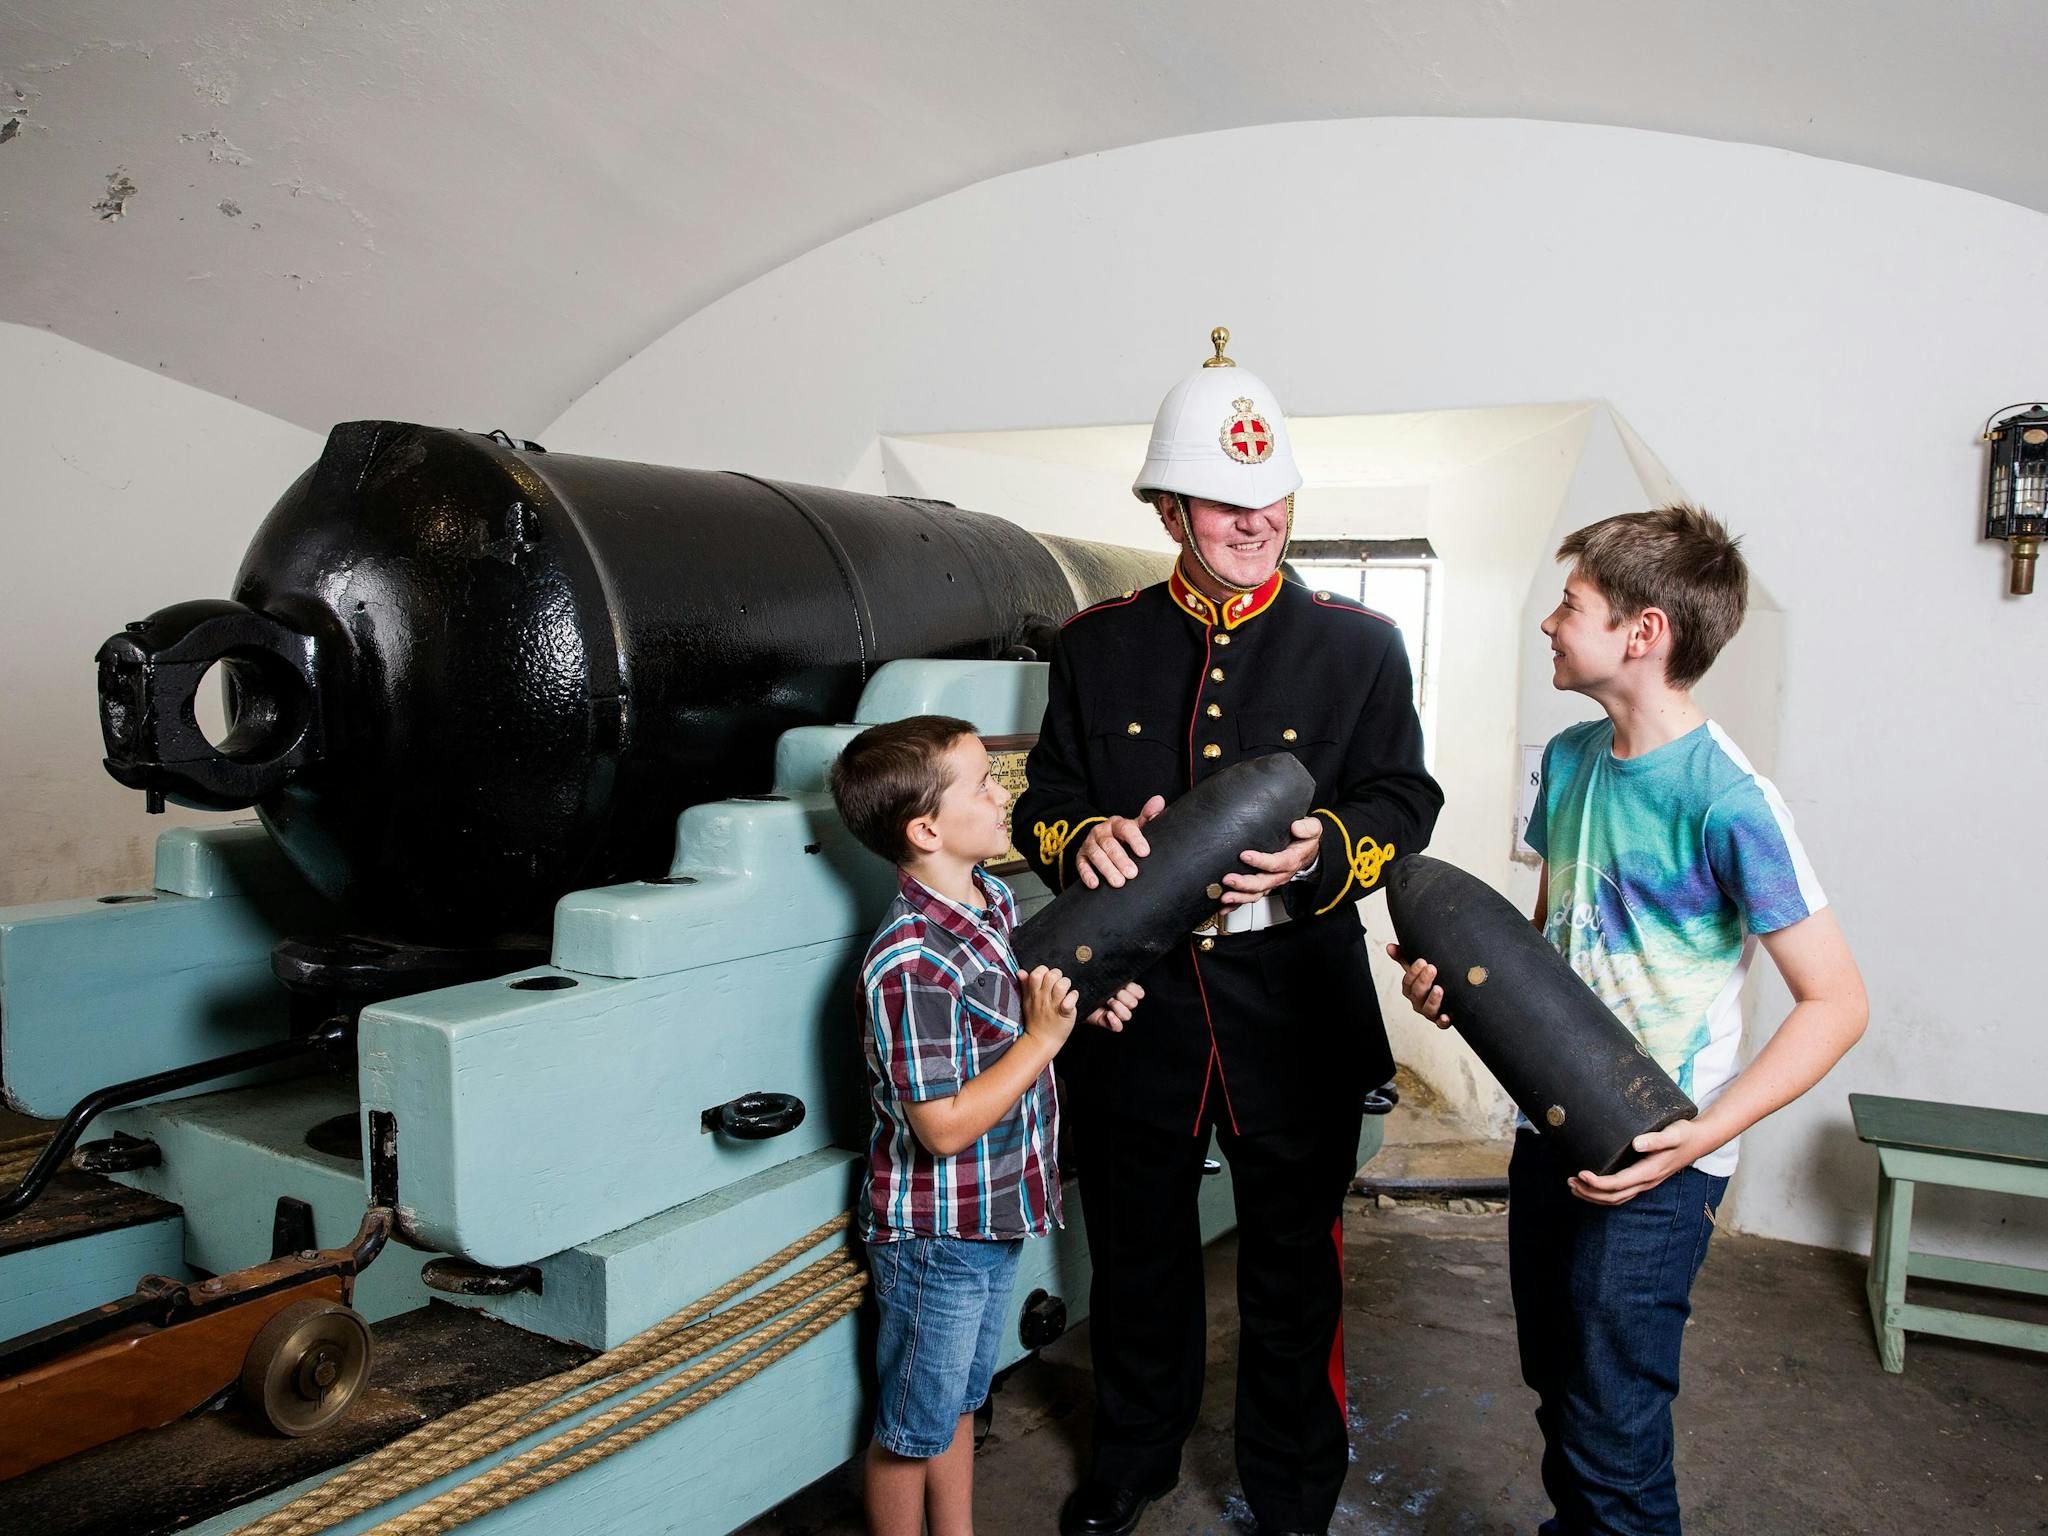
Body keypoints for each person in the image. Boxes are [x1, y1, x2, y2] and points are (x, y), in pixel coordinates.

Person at [1013, 329, 1442, 1536]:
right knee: (1137, 1252)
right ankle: (1134, 1457)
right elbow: (1042, 796)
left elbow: (1405, 799)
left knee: (1292, 1266)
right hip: (1135, 1005)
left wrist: (1324, 856)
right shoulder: (1095, 642)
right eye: (1222, 502)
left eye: (1270, 498)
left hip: (1291, 1001)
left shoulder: (1358, 644)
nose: (1254, 522)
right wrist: (1077, 836)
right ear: (1166, 508)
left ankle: (1294, 1479)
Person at [1392, 505, 1868, 1535]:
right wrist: (1456, 994)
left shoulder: (1728, 799)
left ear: (1640, 634)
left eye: (1570, 605)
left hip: (1658, 1157)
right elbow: (1534, 952)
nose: (1548, 624)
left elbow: (1836, 1003)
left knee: (1613, 1427)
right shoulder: (1567, 761)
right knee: (1558, 1383)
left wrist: (1702, 1135)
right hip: (1544, 1131)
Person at [830, 714, 1143, 1536]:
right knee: (911, 1431)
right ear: (926, 828)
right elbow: (940, 1130)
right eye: (981, 783)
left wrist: (1081, 1007)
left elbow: (1020, 1013)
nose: (1001, 792)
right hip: (938, 1234)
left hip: (993, 1213)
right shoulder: (908, 961)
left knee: (966, 1401)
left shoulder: (994, 900)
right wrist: (1044, 1042)